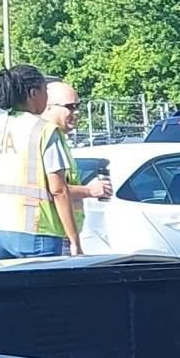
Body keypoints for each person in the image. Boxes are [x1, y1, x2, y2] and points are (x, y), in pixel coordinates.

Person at [0, 65, 76, 259]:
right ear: (33, 93)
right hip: (36, 231)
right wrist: (74, 240)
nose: (47, 97)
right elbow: (59, 190)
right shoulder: (44, 130)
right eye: (45, 91)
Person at [42, 80, 115, 251]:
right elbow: (54, 189)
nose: (77, 112)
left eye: (77, 106)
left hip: (57, 232)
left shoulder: (58, 137)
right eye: (70, 106)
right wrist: (89, 191)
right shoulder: (47, 137)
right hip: (52, 233)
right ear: (48, 107)